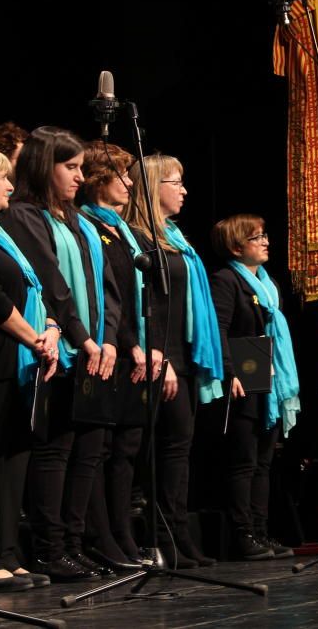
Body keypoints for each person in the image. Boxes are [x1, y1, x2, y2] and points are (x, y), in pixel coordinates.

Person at [0, 127, 120, 582]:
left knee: (85, 450)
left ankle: (73, 543)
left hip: (91, 346)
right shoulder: (25, 215)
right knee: (55, 450)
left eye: (81, 167)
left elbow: (103, 282)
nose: (80, 176)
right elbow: (52, 282)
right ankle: (50, 548)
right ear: (43, 166)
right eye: (70, 167)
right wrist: (83, 338)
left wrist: (106, 337)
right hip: (59, 348)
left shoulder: (75, 219)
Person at [126, 154, 223, 568]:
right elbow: (137, 304)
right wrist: (156, 354)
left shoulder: (177, 237)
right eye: (174, 182)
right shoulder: (136, 238)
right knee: (156, 450)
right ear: (151, 188)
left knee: (178, 449)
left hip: (182, 355)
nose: (183, 190)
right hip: (156, 355)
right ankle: (160, 537)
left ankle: (179, 536)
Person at [0, 149, 58, 592]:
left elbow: (33, 288)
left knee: (14, 463)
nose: (11, 186)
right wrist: (34, 338)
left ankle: (8, 552)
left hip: (21, 365)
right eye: (2, 178)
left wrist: (49, 327)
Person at [209, 214, 301, 560]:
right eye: (256, 237)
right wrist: (229, 371)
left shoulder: (267, 283)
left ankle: (261, 533)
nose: (265, 242)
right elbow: (218, 328)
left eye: (264, 235)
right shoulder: (226, 280)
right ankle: (242, 534)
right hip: (243, 375)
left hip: (269, 375)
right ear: (236, 247)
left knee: (264, 461)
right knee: (243, 461)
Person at [79, 140, 148, 565]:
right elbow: (109, 295)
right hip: (109, 347)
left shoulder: (123, 230)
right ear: (99, 179)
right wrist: (131, 344)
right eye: (121, 175)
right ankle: (100, 538)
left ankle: (122, 535)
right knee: (101, 448)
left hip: (132, 349)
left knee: (127, 448)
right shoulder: (90, 225)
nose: (128, 183)